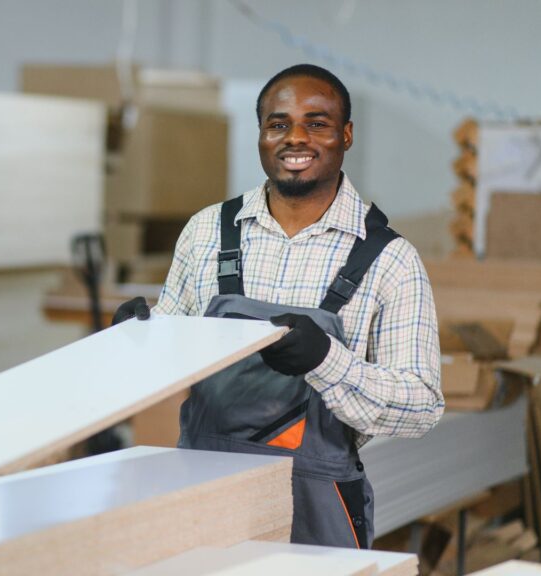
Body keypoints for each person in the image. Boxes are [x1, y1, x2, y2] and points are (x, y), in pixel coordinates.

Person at [113, 64, 443, 549]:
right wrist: (138, 338)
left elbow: (421, 407)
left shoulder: (391, 260)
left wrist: (326, 361)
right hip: (205, 489)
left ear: (346, 135)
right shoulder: (206, 232)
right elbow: (171, 352)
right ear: (261, 135)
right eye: (278, 124)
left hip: (316, 500)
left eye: (317, 123)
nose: (295, 138)